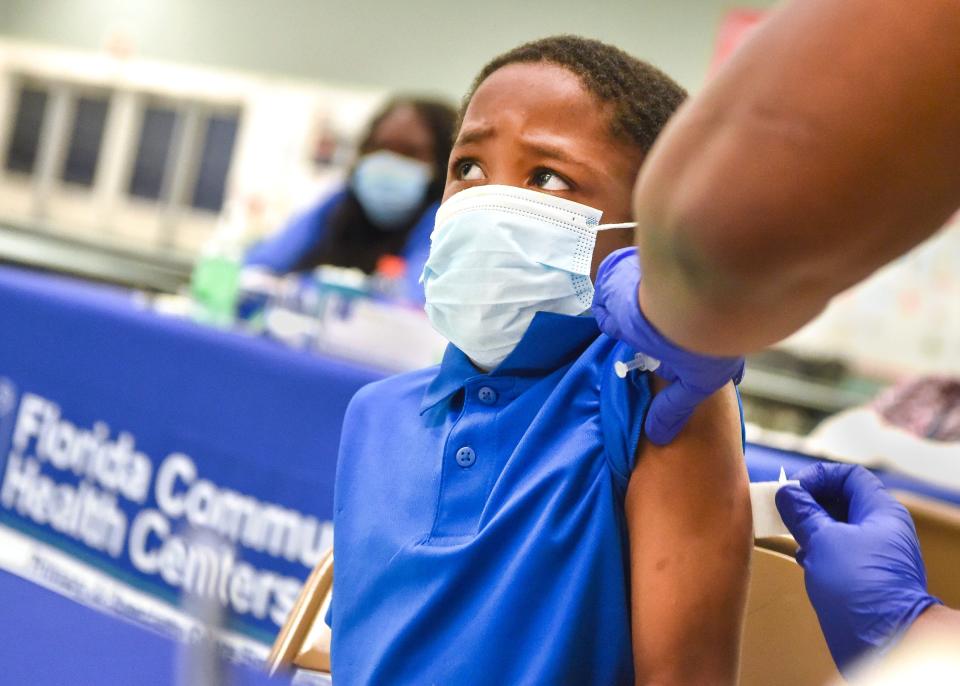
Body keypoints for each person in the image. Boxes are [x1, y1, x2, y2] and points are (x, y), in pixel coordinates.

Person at [328, 36, 752, 685]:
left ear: (650, 228)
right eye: (467, 167)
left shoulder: (652, 401)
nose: (485, 203)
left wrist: (678, 317)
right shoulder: (376, 415)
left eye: (547, 177)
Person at [588, 0, 960, 676]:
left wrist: (666, 291)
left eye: (550, 180)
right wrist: (920, 626)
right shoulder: (389, 412)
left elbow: (721, 232)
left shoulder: (672, 418)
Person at [244, 97, 457, 303]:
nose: (388, 162)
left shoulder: (444, 224)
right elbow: (258, 268)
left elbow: (411, 302)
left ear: (443, 163)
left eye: (410, 152)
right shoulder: (338, 205)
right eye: (381, 147)